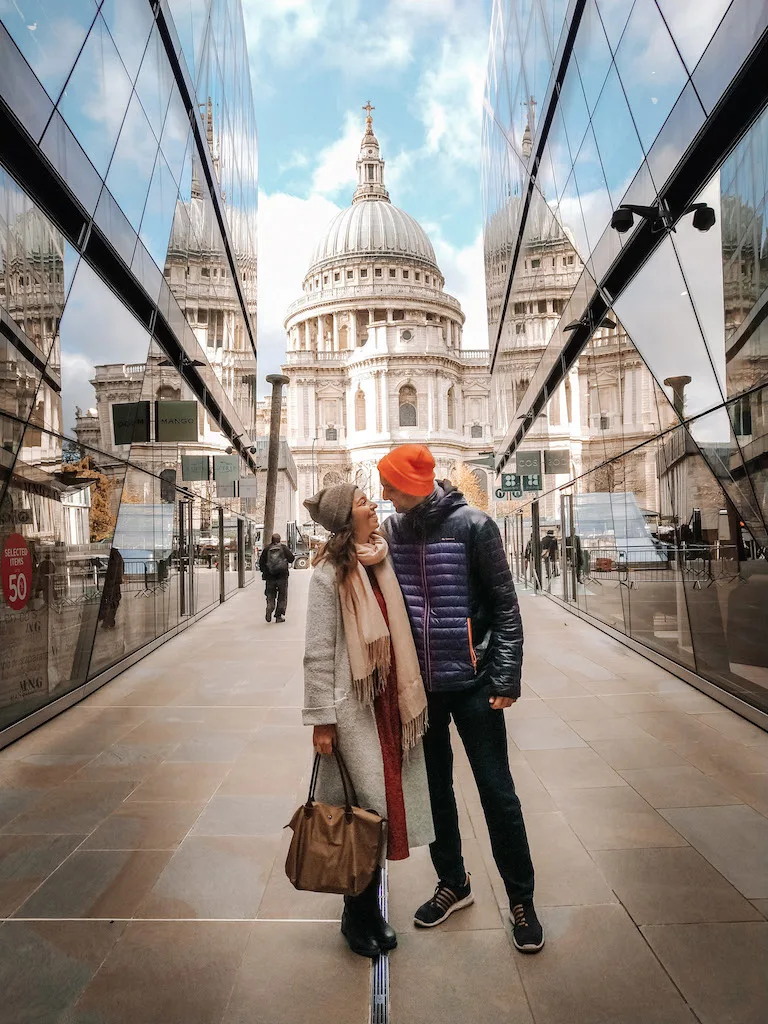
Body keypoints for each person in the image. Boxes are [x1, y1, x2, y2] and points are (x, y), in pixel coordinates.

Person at [378, 444, 543, 954]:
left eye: (390, 486)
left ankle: (522, 900)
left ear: (413, 485)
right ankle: (454, 882)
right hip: (423, 690)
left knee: (498, 792)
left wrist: (504, 678)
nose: (383, 494)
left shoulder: (474, 526)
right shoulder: (391, 531)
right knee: (436, 793)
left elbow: (506, 608)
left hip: (474, 684)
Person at [302, 482, 433, 958]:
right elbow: (318, 652)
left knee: (385, 809)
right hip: (352, 709)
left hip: (389, 704)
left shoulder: (380, 559)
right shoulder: (327, 575)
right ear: (345, 519)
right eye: (363, 503)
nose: (373, 506)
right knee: (362, 813)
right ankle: (357, 915)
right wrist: (321, 719)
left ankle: (368, 910)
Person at [258, 533, 294, 622]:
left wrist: (265, 572)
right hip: (282, 576)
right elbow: (291, 559)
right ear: (279, 539)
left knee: (270, 594)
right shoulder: (284, 548)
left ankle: (270, 605)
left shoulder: (267, 549)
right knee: (282, 596)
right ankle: (278, 616)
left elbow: (261, 562)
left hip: (270, 577)